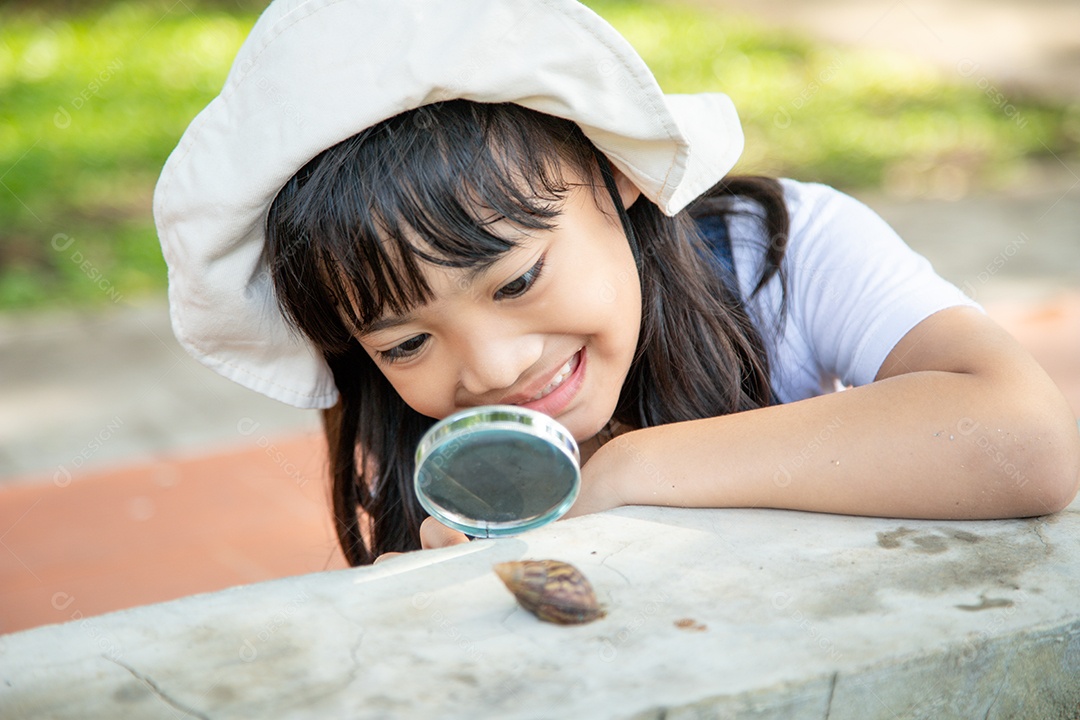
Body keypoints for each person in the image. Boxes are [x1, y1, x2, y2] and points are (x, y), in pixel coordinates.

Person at [155, 0, 1079, 566]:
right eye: (405, 342)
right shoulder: (423, 439)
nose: (491, 370)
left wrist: (628, 473)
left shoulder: (781, 252)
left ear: (615, 170)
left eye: (516, 280)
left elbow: (1026, 442)